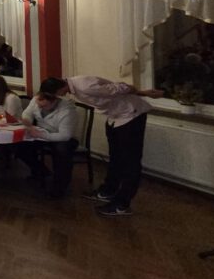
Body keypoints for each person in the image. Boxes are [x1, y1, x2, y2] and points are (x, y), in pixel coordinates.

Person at [44, 76, 163, 216]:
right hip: (116, 116)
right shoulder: (75, 88)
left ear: (59, 88)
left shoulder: (83, 85)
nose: (58, 97)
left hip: (131, 114)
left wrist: (142, 92)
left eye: (56, 94)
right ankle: (108, 190)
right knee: (115, 157)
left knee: (131, 161)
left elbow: (120, 87)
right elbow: (111, 92)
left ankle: (122, 204)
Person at [17, 89, 78, 197]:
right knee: (19, 145)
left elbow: (65, 135)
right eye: (38, 105)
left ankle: (60, 187)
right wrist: (27, 121)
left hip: (61, 137)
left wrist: (41, 135)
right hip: (42, 133)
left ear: (54, 101)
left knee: (62, 151)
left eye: (44, 106)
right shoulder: (37, 100)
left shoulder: (67, 111)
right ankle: (42, 171)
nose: (40, 108)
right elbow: (27, 113)